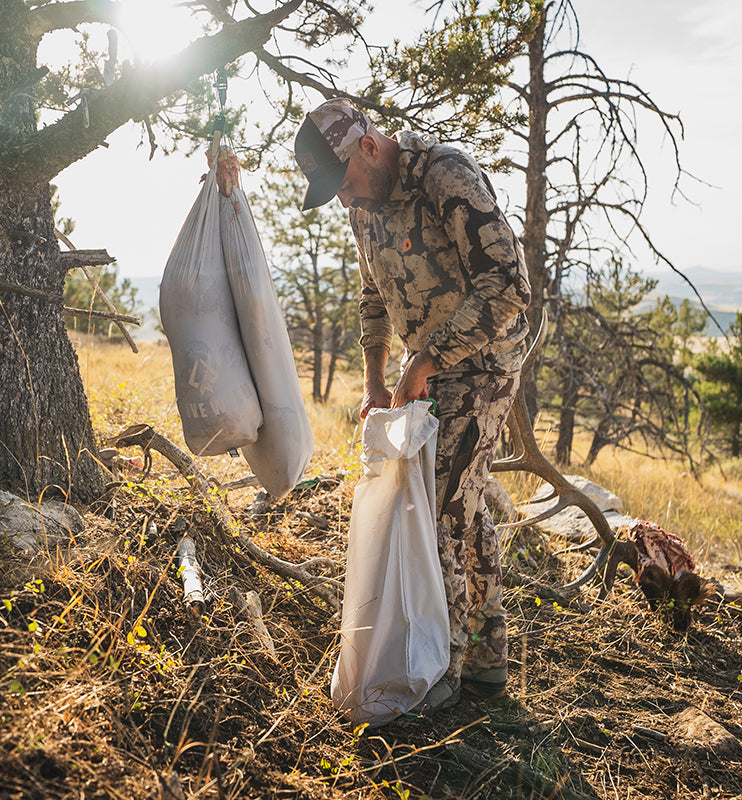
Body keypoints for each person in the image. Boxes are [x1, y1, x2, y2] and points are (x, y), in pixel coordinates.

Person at [294, 98, 531, 715]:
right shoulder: (364, 207)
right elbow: (372, 293)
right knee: (462, 498)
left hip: (483, 360)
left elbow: (509, 286)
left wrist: (427, 358)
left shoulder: (443, 176)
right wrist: (375, 376)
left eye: (344, 184)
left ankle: (441, 671)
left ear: (369, 147)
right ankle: (487, 658)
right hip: (421, 368)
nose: (345, 201)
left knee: (440, 508)